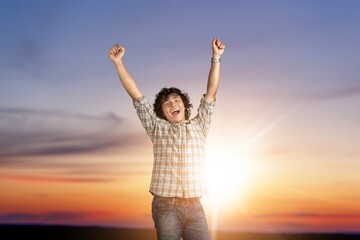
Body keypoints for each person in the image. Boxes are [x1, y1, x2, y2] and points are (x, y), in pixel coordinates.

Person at [109, 38, 225, 240]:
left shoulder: (200, 125)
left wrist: (216, 58)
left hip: (195, 206)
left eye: (176, 100)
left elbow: (211, 93)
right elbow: (136, 96)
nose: (172, 104)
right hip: (166, 206)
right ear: (163, 112)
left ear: (185, 106)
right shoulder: (157, 127)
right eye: (167, 104)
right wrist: (119, 63)